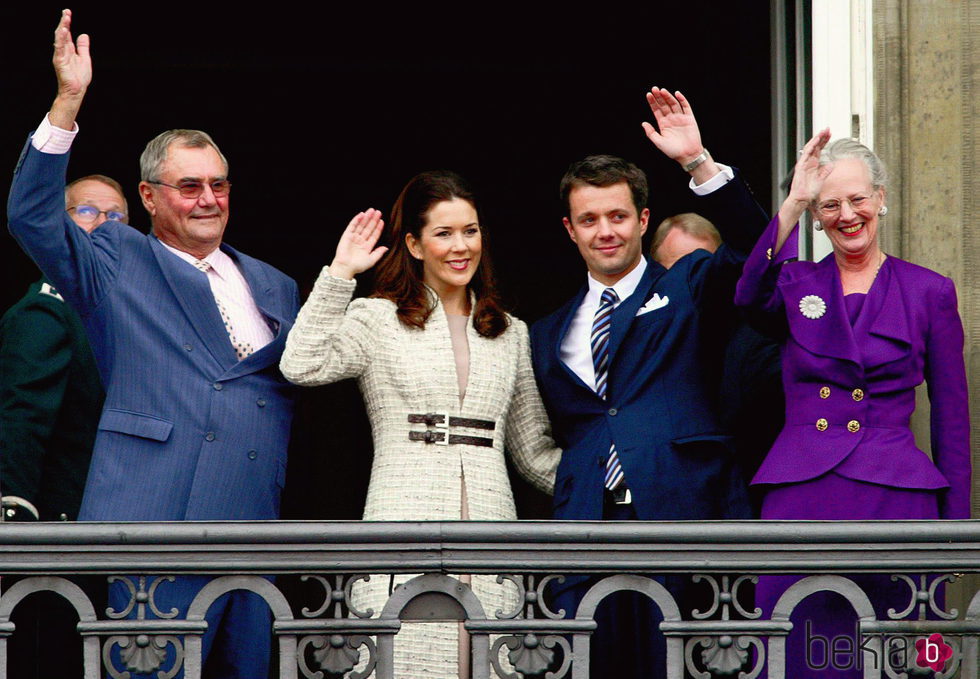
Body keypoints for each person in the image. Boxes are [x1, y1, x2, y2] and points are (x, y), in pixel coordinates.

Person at [7, 11, 299, 678]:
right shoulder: (117, 256)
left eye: (218, 184)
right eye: (189, 185)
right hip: (156, 520)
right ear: (149, 195)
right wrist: (67, 102)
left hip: (256, 526)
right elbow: (30, 217)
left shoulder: (276, 285)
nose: (208, 199)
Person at [279, 170, 560, 678]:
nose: (461, 247)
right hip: (402, 519)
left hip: (490, 528)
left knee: (487, 662)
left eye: (470, 231)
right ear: (413, 243)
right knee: (405, 662)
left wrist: (617, 487)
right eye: (444, 233)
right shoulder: (377, 318)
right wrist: (340, 274)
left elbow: (533, 451)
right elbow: (302, 363)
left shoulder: (510, 332)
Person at [529, 87, 769, 678]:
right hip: (587, 530)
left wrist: (698, 164)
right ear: (570, 229)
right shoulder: (545, 331)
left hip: (684, 514)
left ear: (641, 219)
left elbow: (756, 249)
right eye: (589, 219)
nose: (604, 231)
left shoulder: (688, 285)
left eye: (617, 216)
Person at [734, 130, 971, 677]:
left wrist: (954, 531)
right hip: (803, 494)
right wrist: (792, 202)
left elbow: (952, 419)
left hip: (896, 497)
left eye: (858, 199)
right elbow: (747, 295)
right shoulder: (794, 282)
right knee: (796, 652)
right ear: (818, 215)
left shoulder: (928, 291)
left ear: (882, 198)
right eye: (830, 204)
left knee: (893, 659)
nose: (847, 214)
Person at [0, 174, 122, 679]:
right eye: (88, 212)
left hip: (108, 534)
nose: (102, 226)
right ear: (59, 225)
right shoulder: (47, 310)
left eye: (117, 218)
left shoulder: (112, 313)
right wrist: (20, 521)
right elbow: (20, 419)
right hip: (57, 541)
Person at [650, 212, 786, 509]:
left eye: (704, 270)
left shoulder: (756, 341)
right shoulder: (638, 344)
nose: (692, 283)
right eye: (679, 270)